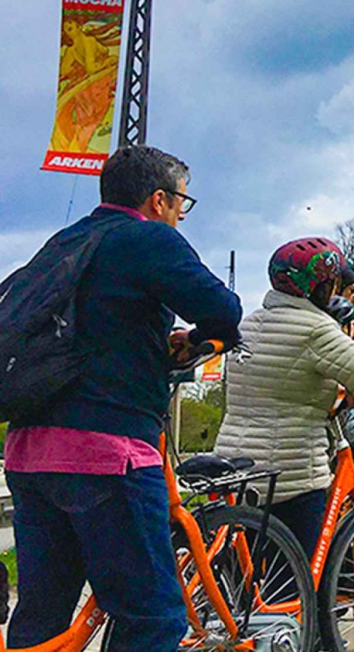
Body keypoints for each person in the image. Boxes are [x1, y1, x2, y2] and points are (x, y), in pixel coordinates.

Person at [3, 146, 242, 650]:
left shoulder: (65, 241)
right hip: (106, 454)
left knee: (42, 617)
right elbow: (222, 309)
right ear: (159, 199)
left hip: (27, 452)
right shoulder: (149, 239)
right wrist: (196, 337)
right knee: (152, 618)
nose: (181, 214)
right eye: (182, 203)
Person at [216, 237, 354, 558]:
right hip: (291, 475)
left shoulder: (247, 326)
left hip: (234, 467)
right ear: (322, 286)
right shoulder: (315, 328)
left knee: (251, 578)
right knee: (300, 581)